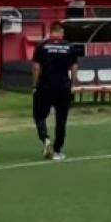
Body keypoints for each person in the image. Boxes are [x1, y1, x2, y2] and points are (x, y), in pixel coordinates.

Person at [31, 21, 81, 161]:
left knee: (39, 116)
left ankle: (46, 139)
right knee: (61, 119)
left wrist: (34, 85)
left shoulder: (42, 46)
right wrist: (73, 84)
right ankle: (58, 149)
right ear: (61, 32)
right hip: (63, 87)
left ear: (51, 31)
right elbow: (74, 67)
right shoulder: (69, 47)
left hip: (45, 86)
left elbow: (36, 67)